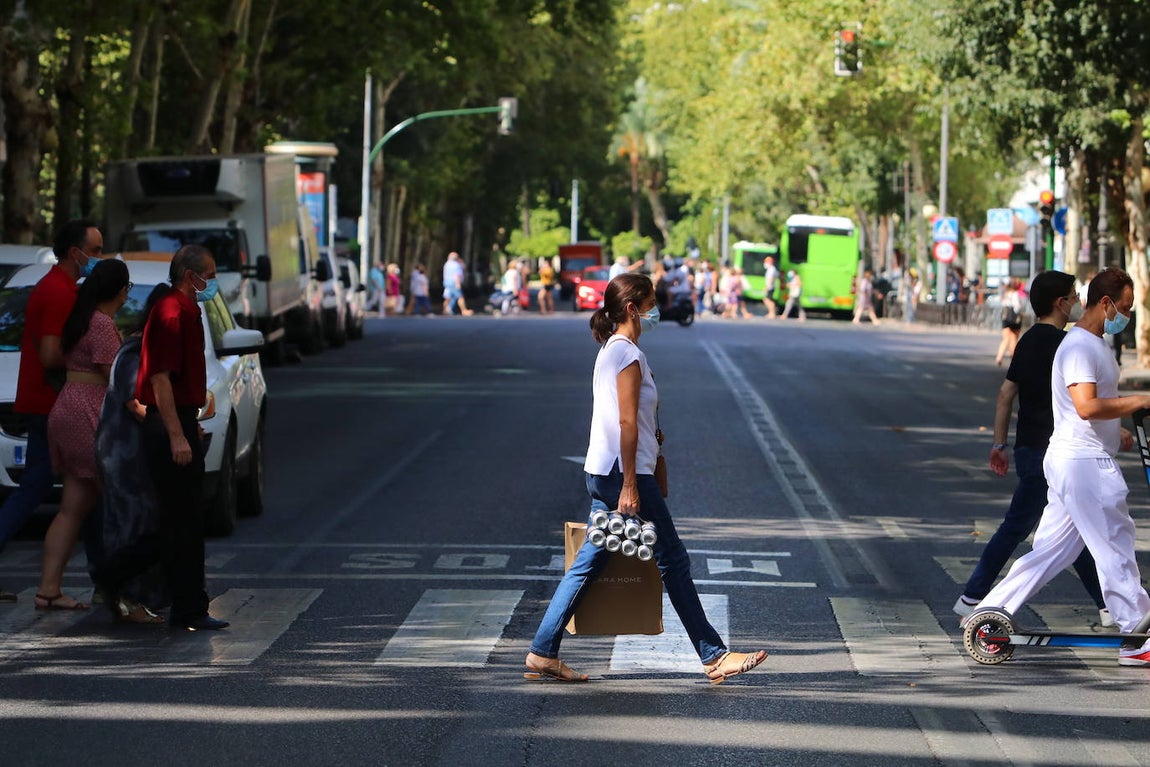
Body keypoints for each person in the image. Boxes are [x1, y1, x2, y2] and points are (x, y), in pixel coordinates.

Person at [524, 273, 768, 683]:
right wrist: (632, 485)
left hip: (604, 471)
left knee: (590, 561)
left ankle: (542, 651)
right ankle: (713, 655)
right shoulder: (628, 355)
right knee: (673, 559)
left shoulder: (611, 350)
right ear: (633, 309)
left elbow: (626, 416)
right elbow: (623, 421)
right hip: (625, 473)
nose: (658, 310)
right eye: (652, 302)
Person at [967, 268, 1150, 666]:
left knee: (1050, 551)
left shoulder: (1092, 345)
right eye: (1125, 307)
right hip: (1084, 464)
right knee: (1114, 543)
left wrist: (1115, 427)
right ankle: (1137, 635)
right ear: (1106, 303)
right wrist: (1138, 401)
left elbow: (1087, 407)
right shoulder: (1081, 347)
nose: (1127, 316)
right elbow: (1085, 406)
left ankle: (989, 613)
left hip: (1074, 458)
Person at [952, 271, 1108, 624]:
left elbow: (1006, 395)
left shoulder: (1026, 341)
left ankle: (1108, 603)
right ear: (1060, 303)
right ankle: (973, 597)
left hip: (1028, 449)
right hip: (1054, 453)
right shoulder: (1066, 345)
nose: (1076, 302)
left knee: (1074, 531)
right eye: (1072, 295)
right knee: (1019, 527)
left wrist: (999, 444)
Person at [0, 219, 104, 603]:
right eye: (94, 251)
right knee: (52, 487)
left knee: (78, 488)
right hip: (49, 402)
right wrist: (90, 360)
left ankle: (102, 579)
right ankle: (99, 580)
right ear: (74, 253)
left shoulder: (58, 287)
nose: (99, 257)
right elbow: (49, 354)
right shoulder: (59, 292)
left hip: (46, 401)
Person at [136, 244, 228, 631]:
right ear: (192, 277)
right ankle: (186, 606)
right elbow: (160, 379)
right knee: (182, 520)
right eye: (210, 273)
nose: (214, 281)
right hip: (168, 426)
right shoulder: (173, 311)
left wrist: (189, 424)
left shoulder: (188, 309)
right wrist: (177, 434)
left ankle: (186, 602)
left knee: (186, 517)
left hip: (182, 421)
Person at [92, 285, 170, 622]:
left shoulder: (148, 347)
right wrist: (173, 427)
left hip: (139, 449)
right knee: (132, 523)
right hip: (124, 453)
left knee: (145, 521)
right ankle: (123, 595)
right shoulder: (134, 351)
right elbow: (136, 404)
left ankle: (130, 594)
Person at [996, 276, 1023, 366]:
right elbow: (1017, 307)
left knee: (1005, 339)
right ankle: (1014, 359)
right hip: (1015, 319)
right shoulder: (1016, 294)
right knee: (1014, 339)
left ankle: (999, 357)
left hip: (1006, 318)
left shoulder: (1005, 294)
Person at [442, 251, 473, 316]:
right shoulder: (456, 265)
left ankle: (445, 310)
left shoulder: (447, 264)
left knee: (448, 297)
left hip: (447, 282)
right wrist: (458, 283)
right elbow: (457, 275)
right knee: (460, 297)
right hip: (454, 283)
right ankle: (464, 310)